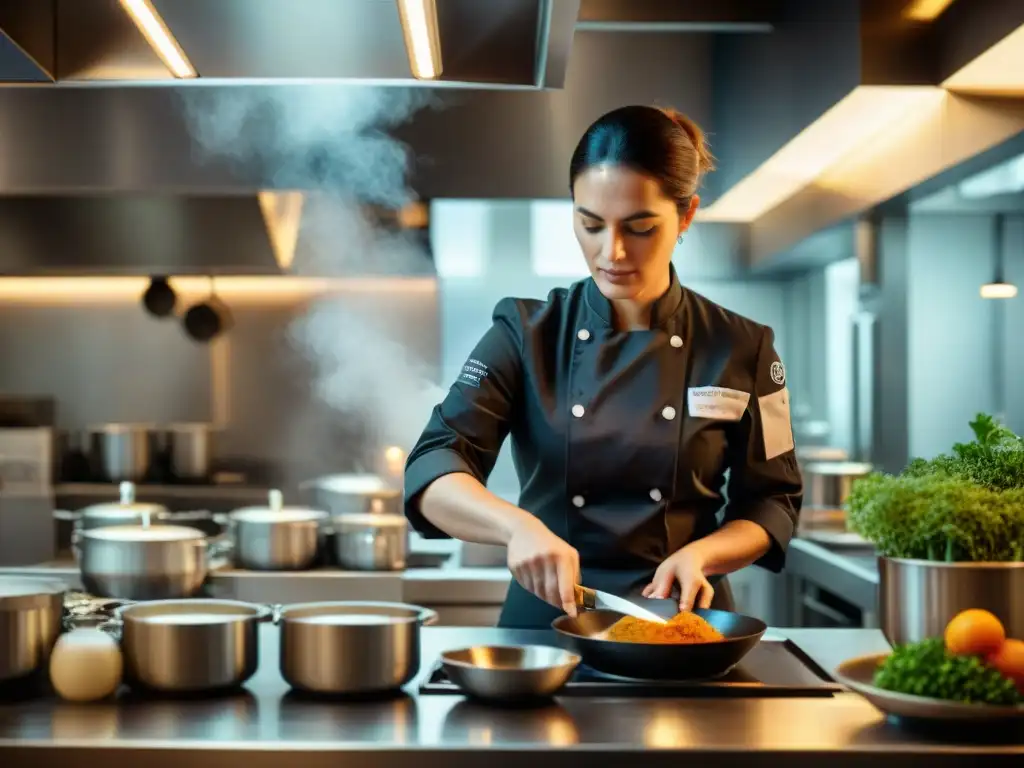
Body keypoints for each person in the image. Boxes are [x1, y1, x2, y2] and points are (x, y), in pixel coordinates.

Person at [403, 105, 803, 629]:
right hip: (545, 629)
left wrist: (705, 554)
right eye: (590, 224)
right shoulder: (524, 334)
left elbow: (773, 500)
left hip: (680, 627)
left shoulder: (743, 347)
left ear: (686, 215)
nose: (610, 251)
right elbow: (433, 464)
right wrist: (515, 527)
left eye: (639, 227)